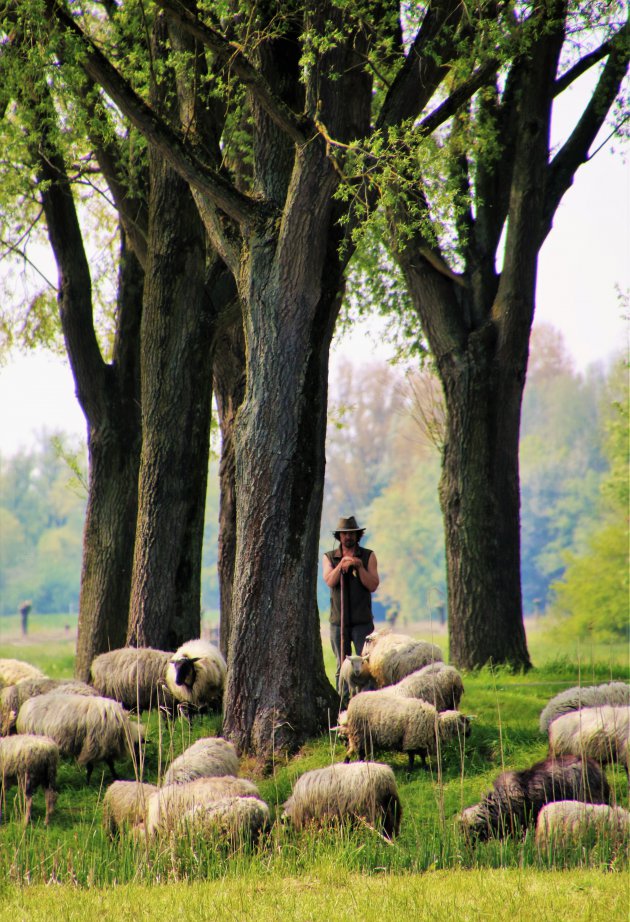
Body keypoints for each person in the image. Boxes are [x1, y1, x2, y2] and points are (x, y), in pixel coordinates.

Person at [322, 515, 379, 699]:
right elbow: (330, 581)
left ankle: (368, 704)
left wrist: (359, 567)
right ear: (339, 536)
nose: (348, 537)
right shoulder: (329, 557)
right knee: (342, 666)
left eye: (351, 533)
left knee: (367, 665)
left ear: (357, 535)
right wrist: (341, 565)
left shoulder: (368, 555)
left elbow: (373, 584)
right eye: (344, 533)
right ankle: (343, 705)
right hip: (338, 624)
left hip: (363, 623)